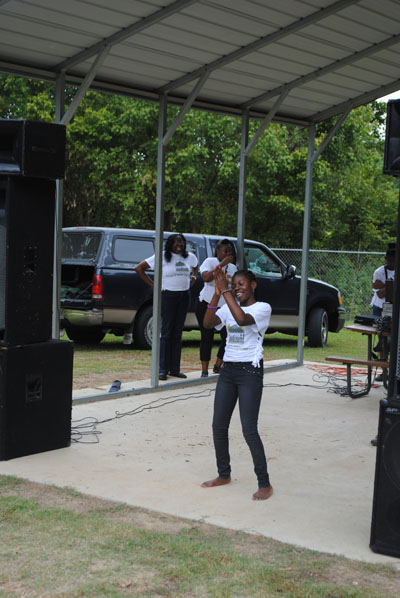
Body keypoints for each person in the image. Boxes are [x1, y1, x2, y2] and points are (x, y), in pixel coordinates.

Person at [201, 268, 273, 500]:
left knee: (249, 429)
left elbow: (242, 319)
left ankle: (264, 483)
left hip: (250, 372)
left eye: (241, 284)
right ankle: (224, 474)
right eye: (234, 284)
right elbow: (208, 323)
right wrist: (216, 293)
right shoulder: (227, 306)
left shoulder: (262, 308)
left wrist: (226, 292)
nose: (237, 288)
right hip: (228, 370)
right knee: (218, 426)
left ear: (253, 285)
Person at [135, 233, 198, 380]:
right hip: (168, 295)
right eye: (176, 242)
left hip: (184, 296)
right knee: (166, 332)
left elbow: (196, 267)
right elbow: (139, 268)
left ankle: (174, 369)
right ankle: (162, 369)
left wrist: (193, 278)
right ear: (170, 244)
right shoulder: (162, 256)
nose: (179, 245)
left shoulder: (190, 257)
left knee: (178, 333)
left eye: (182, 242)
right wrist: (154, 285)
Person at [196, 239, 237, 378]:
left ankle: (218, 365)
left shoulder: (233, 268)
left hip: (224, 307)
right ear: (218, 250)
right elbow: (206, 278)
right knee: (207, 336)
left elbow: (232, 287)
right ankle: (204, 370)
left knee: (228, 336)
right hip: (207, 303)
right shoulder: (210, 261)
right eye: (225, 251)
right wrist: (221, 265)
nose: (228, 253)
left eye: (230, 251)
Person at [371, 242, 396, 318]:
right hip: (380, 306)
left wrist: (387, 285)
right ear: (386, 259)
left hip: (395, 306)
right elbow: (380, 294)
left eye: (395, 261)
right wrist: (391, 285)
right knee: (379, 324)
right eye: (390, 260)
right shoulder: (379, 272)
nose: (392, 263)